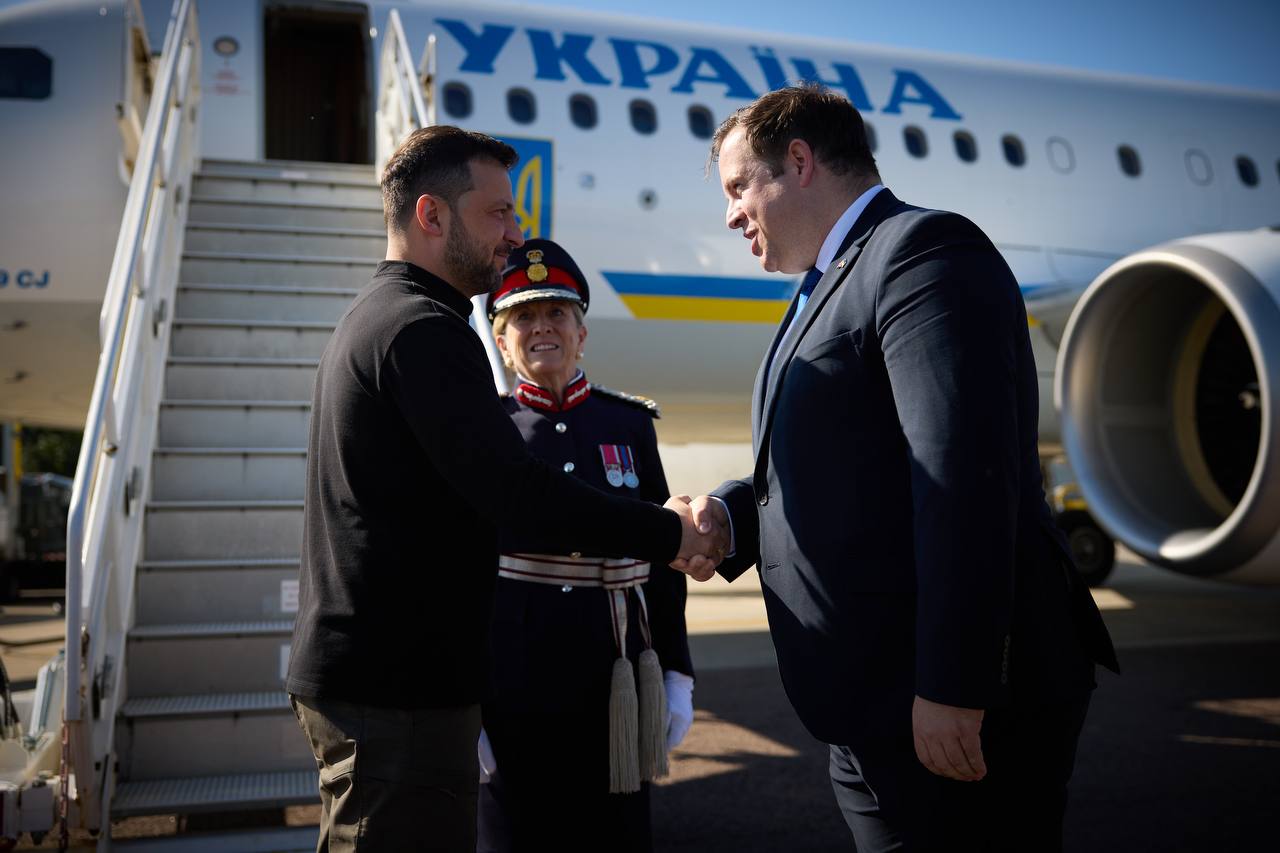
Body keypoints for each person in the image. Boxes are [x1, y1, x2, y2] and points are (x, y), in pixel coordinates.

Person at [675, 85, 1119, 851]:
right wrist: (728, 517)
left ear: (801, 162)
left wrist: (954, 685)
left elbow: (961, 480)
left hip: (943, 703)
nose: (730, 214)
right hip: (875, 704)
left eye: (739, 187)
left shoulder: (920, 252)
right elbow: (840, 465)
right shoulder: (830, 278)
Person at [286, 126, 719, 853]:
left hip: (399, 679)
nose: (514, 235)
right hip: (399, 692)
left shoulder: (386, 316)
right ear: (432, 216)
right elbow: (520, 495)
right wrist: (670, 533)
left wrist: (671, 666)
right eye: (498, 214)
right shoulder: (421, 330)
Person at [476, 239, 694, 853]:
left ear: (582, 332)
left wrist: (677, 672)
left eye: (556, 314)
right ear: (501, 339)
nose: (541, 328)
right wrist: (460, 702)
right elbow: (456, 571)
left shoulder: (627, 425)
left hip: (614, 676)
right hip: (511, 683)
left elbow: (664, 558)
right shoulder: (486, 430)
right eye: (523, 317)